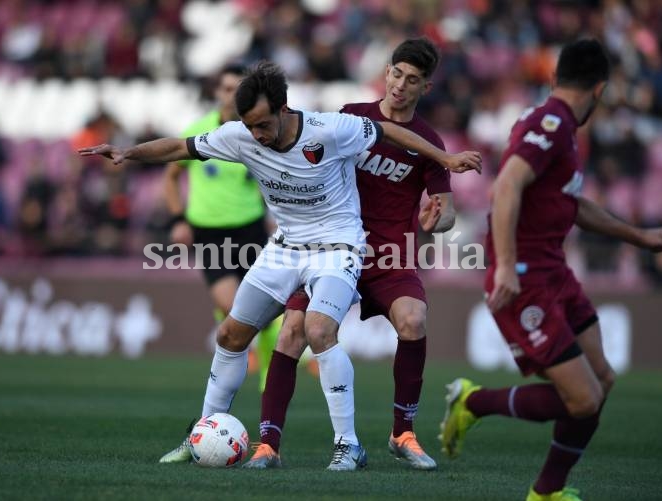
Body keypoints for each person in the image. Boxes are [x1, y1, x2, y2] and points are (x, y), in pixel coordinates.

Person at [79, 61, 481, 470]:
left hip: (339, 248)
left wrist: (444, 159)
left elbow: (389, 131)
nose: (257, 135)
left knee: (318, 328)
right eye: (249, 126)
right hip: (285, 248)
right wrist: (128, 153)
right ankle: (201, 431)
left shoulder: (328, 129)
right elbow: (180, 147)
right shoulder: (240, 137)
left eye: (263, 125)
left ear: (284, 109)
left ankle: (349, 444)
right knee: (231, 334)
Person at [439, 39, 662, 501]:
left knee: (601, 382)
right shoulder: (548, 124)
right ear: (601, 89)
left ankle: (548, 491)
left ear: (555, 78)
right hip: (524, 278)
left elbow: (572, 202)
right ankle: (473, 402)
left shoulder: (564, 130)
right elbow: (505, 187)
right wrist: (506, 265)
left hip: (555, 272)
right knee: (582, 399)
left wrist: (638, 236)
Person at [242, 38, 462, 471]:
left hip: (388, 255)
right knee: (292, 332)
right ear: (386, 71)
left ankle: (403, 433)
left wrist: (441, 218)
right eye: (396, 74)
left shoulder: (429, 142)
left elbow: (447, 208)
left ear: (426, 87)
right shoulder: (350, 119)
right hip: (331, 247)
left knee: (414, 319)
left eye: (412, 79)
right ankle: (268, 443)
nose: (400, 85)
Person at [162, 64, 280, 409]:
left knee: (268, 307)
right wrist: (177, 218)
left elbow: (273, 176)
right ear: (217, 92)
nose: (231, 95)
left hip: (251, 227)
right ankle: (245, 347)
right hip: (209, 232)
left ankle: (268, 381)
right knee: (232, 304)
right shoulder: (199, 131)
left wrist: (274, 213)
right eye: (226, 88)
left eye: (237, 89)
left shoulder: (257, 133)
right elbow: (171, 176)